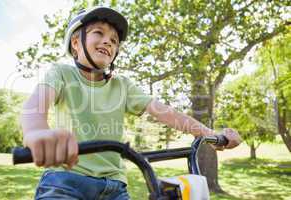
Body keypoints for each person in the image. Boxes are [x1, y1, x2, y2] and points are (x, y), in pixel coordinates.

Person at [21, 7, 242, 200]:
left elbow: (167, 113)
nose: (108, 40)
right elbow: (35, 106)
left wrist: (209, 135)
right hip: (65, 180)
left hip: (114, 186)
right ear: (76, 43)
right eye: (98, 32)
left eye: (115, 40)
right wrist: (37, 132)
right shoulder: (61, 74)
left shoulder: (122, 86)